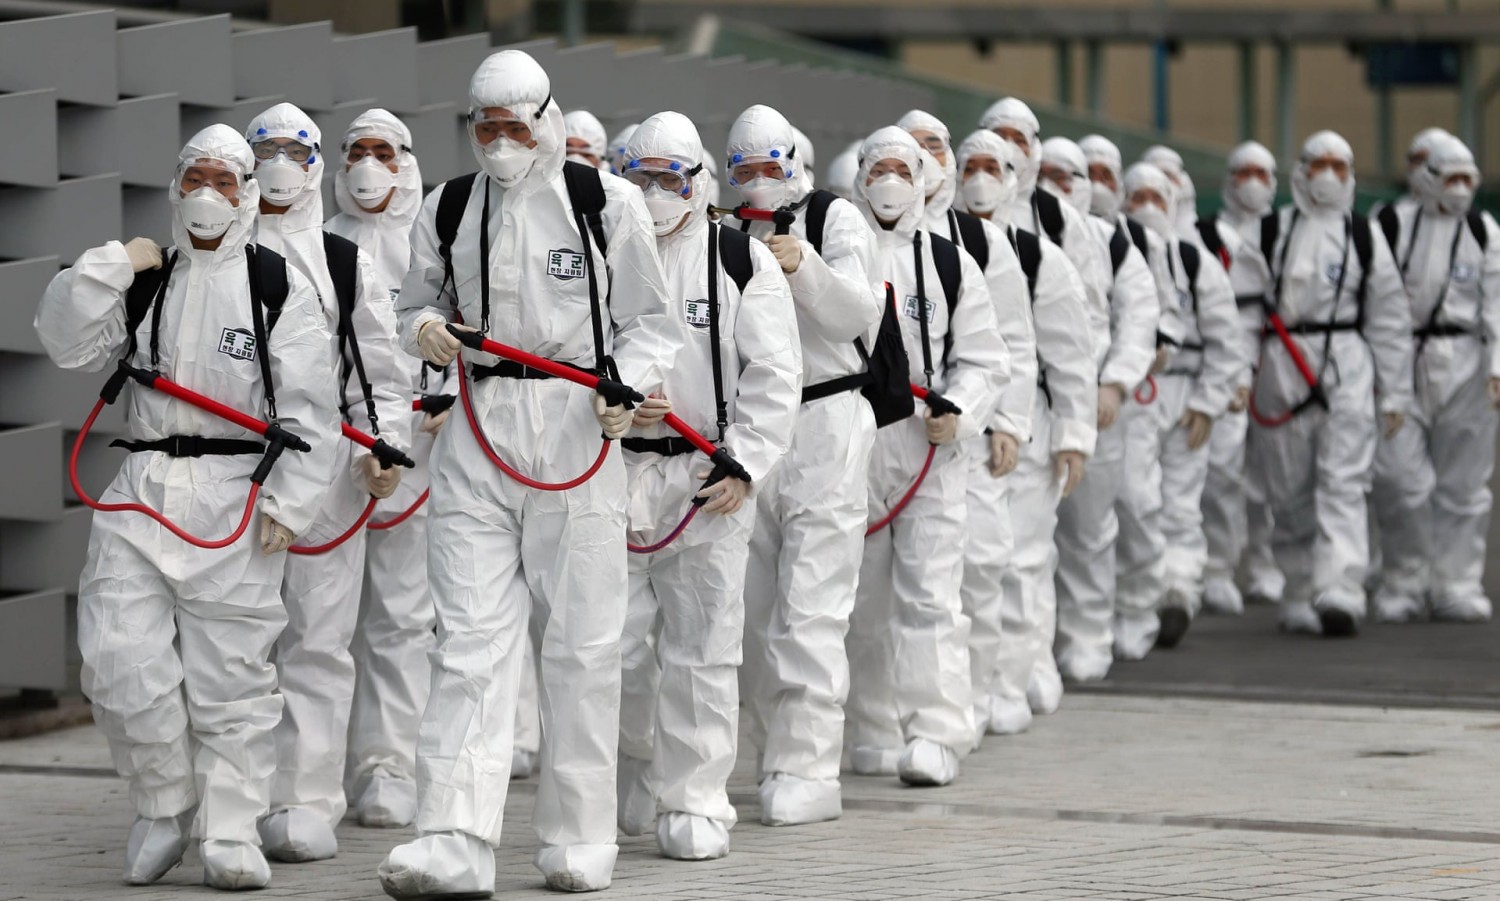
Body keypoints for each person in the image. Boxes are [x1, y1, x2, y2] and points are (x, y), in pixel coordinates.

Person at [378, 50, 678, 897]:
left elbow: (652, 324)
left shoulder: (604, 201)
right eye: (487, 126)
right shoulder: (447, 207)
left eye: (516, 125)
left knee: (582, 644)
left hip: (578, 429)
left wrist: (627, 388)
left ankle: (579, 836)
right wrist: (426, 329)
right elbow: (412, 304)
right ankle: (452, 837)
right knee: (467, 638)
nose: (501, 142)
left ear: (547, 118)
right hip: (479, 426)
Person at [35, 125, 339, 890]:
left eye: (225, 181)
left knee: (231, 676)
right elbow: (63, 339)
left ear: (246, 195)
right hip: (140, 490)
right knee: (117, 659)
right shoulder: (149, 281)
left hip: (235, 497)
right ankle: (164, 804)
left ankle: (232, 826)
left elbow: (312, 407)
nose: (208, 193)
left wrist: (293, 501)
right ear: (175, 187)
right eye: (194, 177)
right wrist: (112, 264)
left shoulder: (276, 286)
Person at [614, 111, 802, 860]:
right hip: (614, 469)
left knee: (703, 648)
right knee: (612, 647)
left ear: (698, 182)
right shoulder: (601, 247)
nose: (656, 193)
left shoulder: (737, 261)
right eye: (642, 177)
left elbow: (776, 373)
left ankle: (695, 798)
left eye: (671, 178)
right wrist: (616, 408)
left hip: (705, 477)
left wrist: (745, 462)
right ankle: (630, 777)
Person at [243, 102, 411, 864]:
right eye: (265, 150)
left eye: (293, 149)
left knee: (316, 638)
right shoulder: (212, 246)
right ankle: (232, 794)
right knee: (231, 638)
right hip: (229, 473)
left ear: (316, 165)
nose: (280, 163)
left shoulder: (342, 259)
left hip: (327, 478)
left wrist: (386, 446)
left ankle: (306, 798)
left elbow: (376, 364)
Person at [843, 126, 1008, 786]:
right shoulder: (840, 255)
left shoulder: (947, 263)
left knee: (931, 596)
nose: (888, 181)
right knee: (862, 600)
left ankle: (937, 730)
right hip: (854, 452)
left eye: (901, 169)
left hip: (930, 454)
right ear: (858, 176)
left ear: (921, 180)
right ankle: (876, 726)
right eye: (876, 167)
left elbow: (986, 357)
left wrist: (959, 410)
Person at [733, 103, 882, 827]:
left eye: (771, 167)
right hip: (756, 426)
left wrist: (808, 267)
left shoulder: (835, 219)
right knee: (754, 607)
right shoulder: (728, 232)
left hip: (829, 421)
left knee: (813, 605)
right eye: (745, 170)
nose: (759, 182)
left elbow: (860, 314)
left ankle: (808, 765)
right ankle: (770, 751)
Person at [323, 108, 443, 829]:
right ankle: (314, 773)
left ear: (406, 160)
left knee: (403, 617)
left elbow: (471, 325)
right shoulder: (321, 240)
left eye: (383, 152)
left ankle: (390, 765)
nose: (369, 165)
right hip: (336, 450)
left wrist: (445, 399)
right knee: (317, 621)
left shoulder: (432, 240)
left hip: (422, 448)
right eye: (356, 152)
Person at [898, 111, 1036, 738]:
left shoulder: (979, 241)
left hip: (967, 434)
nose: (924, 158)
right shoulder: (859, 232)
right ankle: (895, 714)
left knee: (979, 564)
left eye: (935, 146)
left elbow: (1013, 340)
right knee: (892, 584)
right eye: (911, 149)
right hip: (886, 437)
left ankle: (981, 692)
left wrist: (1002, 421)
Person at [953, 129, 1094, 735]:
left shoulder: (1041, 259)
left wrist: (1073, 434)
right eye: (971, 165)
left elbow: (1069, 354)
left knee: (1023, 559)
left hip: (1026, 421)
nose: (981, 178)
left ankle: (1014, 678)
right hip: (957, 423)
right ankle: (973, 684)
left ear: (1016, 177)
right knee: (968, 563)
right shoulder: (938, 244)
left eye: (995, 166)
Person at [1247, 131, 1412, 637]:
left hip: (1345, 361)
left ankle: (1341, 587)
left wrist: (1395, 390)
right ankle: (1298, 588)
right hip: (1282, 363)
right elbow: (1243, 308)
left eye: (1339, 166)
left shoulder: (1364, 235)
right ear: (1300, 170)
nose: (1328, 175)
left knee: (1344, 479)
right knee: (1288, 485)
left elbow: (1388, 316)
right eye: (1319, 163)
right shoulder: (1271, 230)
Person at [1111, 162, 1243, 654]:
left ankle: (1178, 591)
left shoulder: (1194, 260)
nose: (1145, 206)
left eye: (1156, 197)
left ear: (1172, 204)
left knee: (1181, 503)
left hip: (1185, 396)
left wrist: (1209, 405)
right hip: (1135, 394)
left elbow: (1227, 339)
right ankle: (1136, 591)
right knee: (1135, 498)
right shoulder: (1114, 252)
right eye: (1136, 196)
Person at [1042, 137, 1160, 681]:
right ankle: (1034, 644)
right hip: (1027, 405)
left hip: (1095, 405)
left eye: (1071, 177)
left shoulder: (1112, 242)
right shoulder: (1001, 236)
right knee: (1023, 535)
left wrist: (1113, 385)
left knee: (1089, 527)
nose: (1059, 186)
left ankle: (1088, 634)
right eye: (1049, 173)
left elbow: (1140, 316)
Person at [1370, 133, 1500, 623]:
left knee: (1465, 485)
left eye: (1469, 178)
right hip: (1402, 361)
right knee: (1399, 479)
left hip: (1467, 364)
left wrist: (1497, 367)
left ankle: (1456, 582)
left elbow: (1497, 302)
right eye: (1452, 178)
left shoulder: (1485, 231)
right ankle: (1403, 578)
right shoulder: (1391, 225)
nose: (1461, 188)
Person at [1198, 141, 1283, 615]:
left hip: (1280, 360)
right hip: (1225, 358)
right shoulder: (1206, 233)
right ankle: (1219, 567)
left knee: (1274, 471)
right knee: (1225, 470)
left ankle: (1269, 565)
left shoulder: (1284, 231)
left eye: (1261, 173)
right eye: (1242, 171)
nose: (1251, 181)